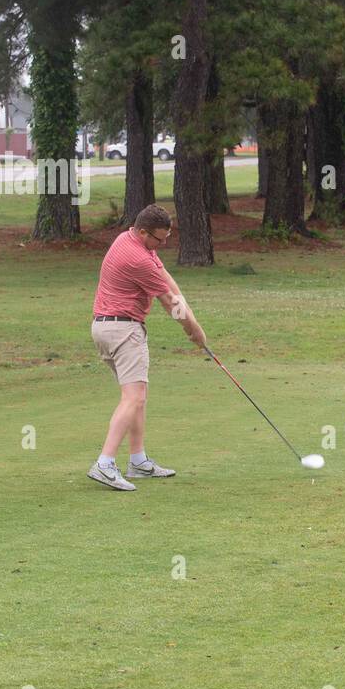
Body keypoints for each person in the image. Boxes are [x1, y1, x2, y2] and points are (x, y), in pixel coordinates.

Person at [87, 204, 207, 490]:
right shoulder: (136, 258)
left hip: (105, 327)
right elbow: (169, 303)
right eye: (158, 239)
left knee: (138, 394)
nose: (162, 244)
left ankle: (138, 461)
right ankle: (104, 463)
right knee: (134, 399)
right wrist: (195, 331)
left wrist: (188, 310)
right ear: (143, 232)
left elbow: (166, 279)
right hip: (124, 330)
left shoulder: (127, 239)